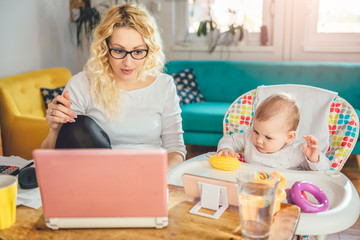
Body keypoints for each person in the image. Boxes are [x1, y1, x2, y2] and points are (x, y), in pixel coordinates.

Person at [41, 3, 186, 169]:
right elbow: (51, 155)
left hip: (149, 174)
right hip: (98, 175)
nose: (128, 62)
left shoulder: (164, 85)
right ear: (105, 47)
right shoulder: (81, 84)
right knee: (76, 126)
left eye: (137, 52)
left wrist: (153, 176)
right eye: (118, 51)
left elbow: (176, 150)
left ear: (149, 50)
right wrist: (55, 129)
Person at [217, 93, 330, 170]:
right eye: (256, 131)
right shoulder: (248, 138)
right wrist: (226, 148)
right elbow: (230, 139)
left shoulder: (298, 151)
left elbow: (324, 170)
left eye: (268, 137)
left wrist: (314, 158)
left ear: (289, 137)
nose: (259, 140)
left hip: (283, 191)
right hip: (251, 187)